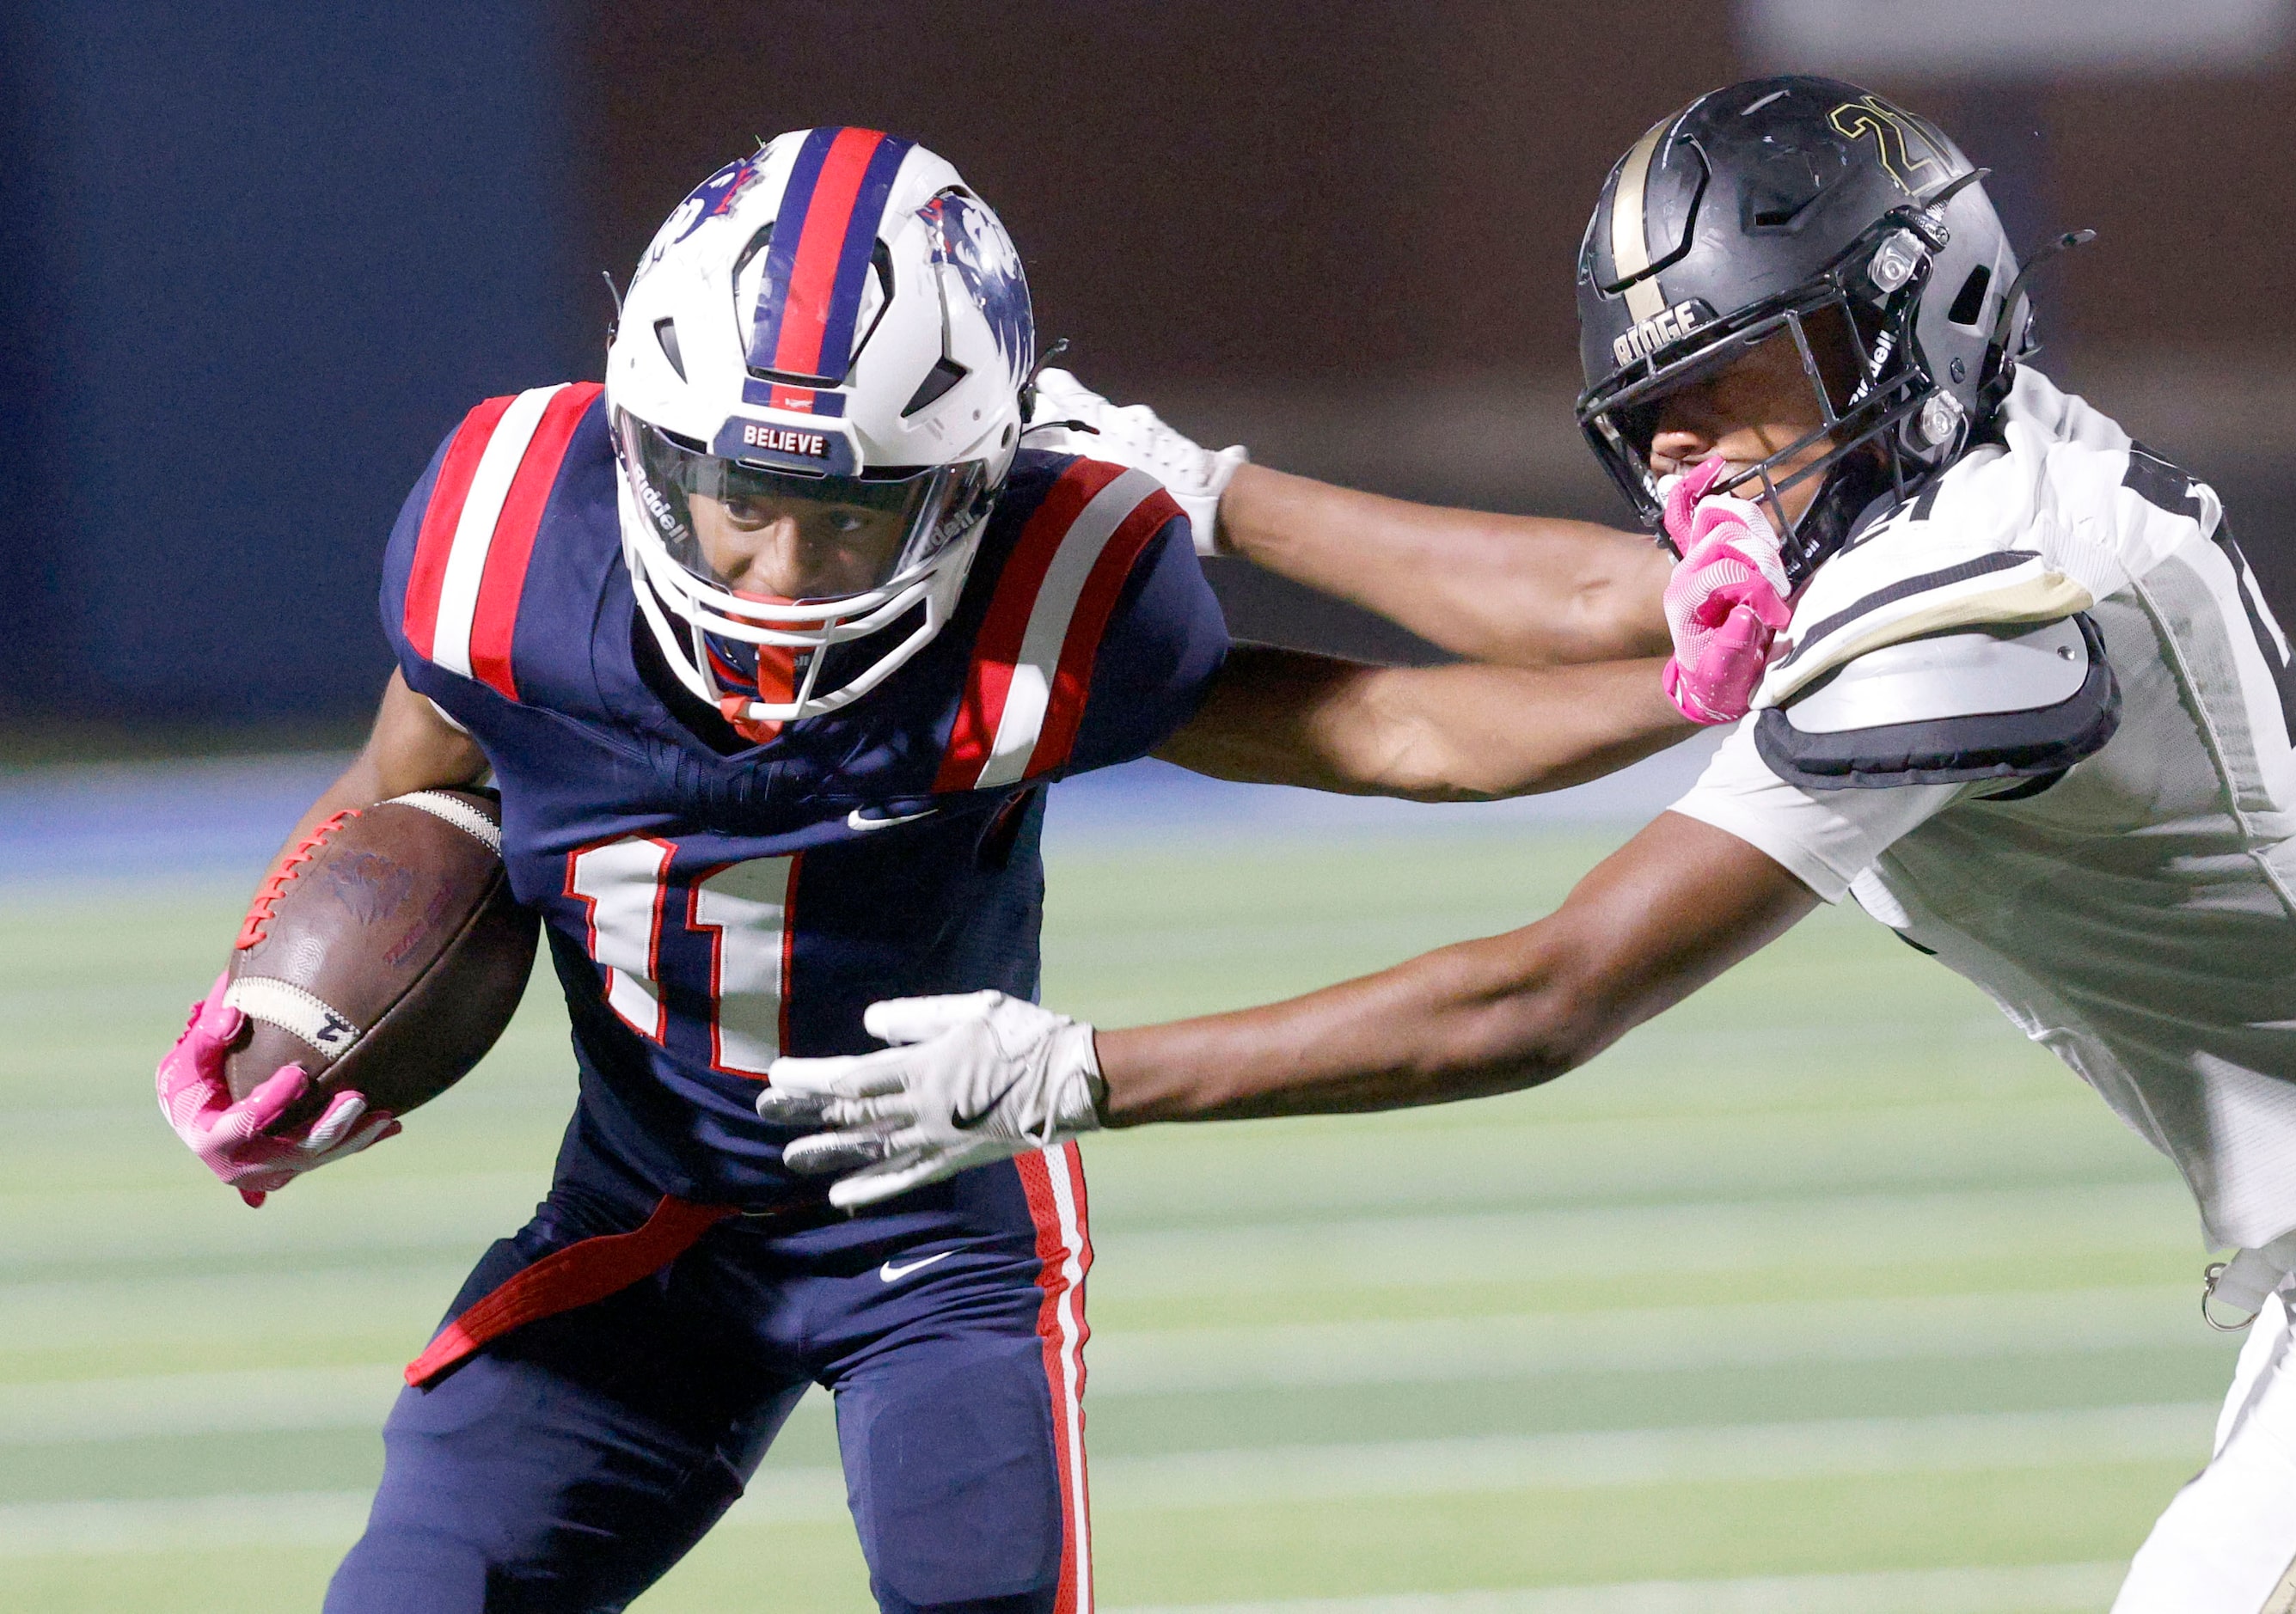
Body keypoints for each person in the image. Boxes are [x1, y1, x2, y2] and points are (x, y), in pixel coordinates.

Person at [768, 79, 2296, 1611]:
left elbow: (1542, 995)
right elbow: (1581, 605)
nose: (1694, 454)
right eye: (1664, 411)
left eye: (1739, 384)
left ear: (1909, 327)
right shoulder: (1955, 472)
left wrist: (1081, 1071)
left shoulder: (1978, 602)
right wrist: (1206, 489)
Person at [150, 128, 1709, 1613]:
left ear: (967, 482)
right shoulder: (503, 536)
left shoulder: (1048, 583)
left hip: (938, 1227)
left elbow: (1406, 733)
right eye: (740, 497)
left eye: (845, 519)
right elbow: (400, 794)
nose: (774, 570)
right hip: (641, 1213)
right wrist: (267, 1004)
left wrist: (1704, 680)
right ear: (643, 445)